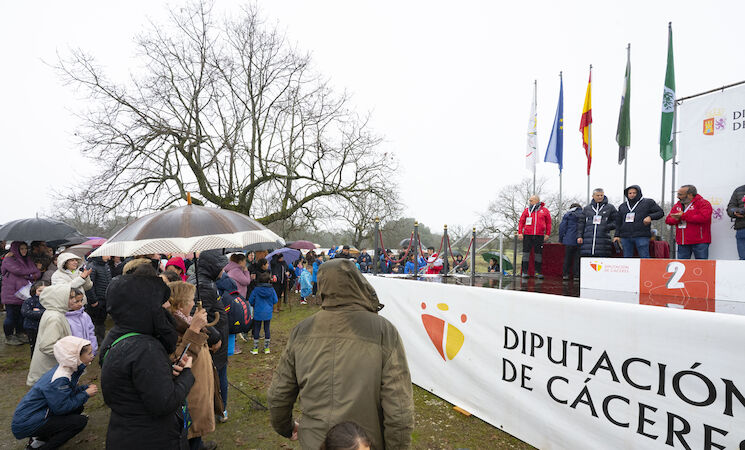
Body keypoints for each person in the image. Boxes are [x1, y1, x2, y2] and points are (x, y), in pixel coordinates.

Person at [268, 258, 414, 449]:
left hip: (335, 441)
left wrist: (286, 428)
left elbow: (278, 395)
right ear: (358, 282)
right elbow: (399, 408)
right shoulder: (383, 330)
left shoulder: (302, 330)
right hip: (360, 443)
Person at [100, 263, 195, 449]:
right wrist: (186, 374)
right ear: (146, 307)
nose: (166, 306)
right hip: (152, 438)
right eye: (161, 303)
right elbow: (164, 404)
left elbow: (134, 384)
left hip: (124, 431)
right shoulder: (145, 348)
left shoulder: (118, 336)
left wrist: (165, 373)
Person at [12, 336, 97, 449]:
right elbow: (62, 407)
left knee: (77, 408)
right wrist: (85, 394)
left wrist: (83, 389)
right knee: (79, 422)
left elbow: (65, 394)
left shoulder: (67, 368)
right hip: (27, 422)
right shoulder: (61, 378)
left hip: (35, 415)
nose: (92, 356)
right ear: (76, 356)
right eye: (89, 353)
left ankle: (40, 438)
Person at [166, 281, 217, 450]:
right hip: (188, 391)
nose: (194, 303)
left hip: (197, 386)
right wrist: (194, 329)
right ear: (181, 305)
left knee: (195, 434)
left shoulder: (185, 321)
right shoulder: (171, 327)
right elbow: (177, 358)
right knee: (189, 432)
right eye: (191, 300)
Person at [187, 250, 229, 424]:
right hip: (212, 343)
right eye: (221, 267)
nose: (223, 271)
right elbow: (197, 318)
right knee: (217, 377)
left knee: (218, 375)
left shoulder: (206, 282)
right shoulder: (202, 286)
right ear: (212, 267)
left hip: (216, 338)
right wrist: (215, 338)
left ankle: (217, 408)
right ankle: (219, 410)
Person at [27, 284, 77, 386]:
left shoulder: (55, 312)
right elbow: (47, 346)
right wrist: (70, 354)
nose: (74, 300)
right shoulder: (55, 318)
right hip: (49, 371)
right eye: (70, 297)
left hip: (51, 371)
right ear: (59, 298)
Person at [2, 241, 42, 345]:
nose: (24, 251)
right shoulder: (8, 259)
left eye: (25, 248)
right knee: (11, 316)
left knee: (21, 316)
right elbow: (18, 270)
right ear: (16, 249)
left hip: (24, 293)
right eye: (21, 248)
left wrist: (28, 275)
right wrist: (31, 272)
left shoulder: (28, 259)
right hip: (12, 293)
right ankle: (9, 336)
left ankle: (19, 333)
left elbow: (37, 273)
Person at [614, 185, 664, 258]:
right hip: (625, 236)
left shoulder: (648, 202)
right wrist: (616, 235)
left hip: (641, 235)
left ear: (639, 193)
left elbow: (660, 212)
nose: (632, 195)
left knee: (644, 257)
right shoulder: (623, 206)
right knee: (627, 258)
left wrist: (650, 217)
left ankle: (646, 266)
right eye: (630, 193)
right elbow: (618, 222)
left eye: (634, 193)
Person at [665, 184, 713, 259]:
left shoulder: (703, 203)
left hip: (700, 242)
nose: (677, 197)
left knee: (701, 264)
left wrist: (683, 216)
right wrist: (677, 219)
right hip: (682, 242)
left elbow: (704, 218)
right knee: (682, 265)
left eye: (680, 194)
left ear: (690, 195)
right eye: (678, 194)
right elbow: (668, 220)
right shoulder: (677, 205)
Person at [577, 188, 619, 263]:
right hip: (588, 243)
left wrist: (608, 226)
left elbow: (617, 221)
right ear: (593, 196)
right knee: (588, 264)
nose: (600, 197)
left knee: (601, 264)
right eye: (598, 195)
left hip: (603, 242)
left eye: (601, 195)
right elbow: (581, 223)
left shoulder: (610, 207)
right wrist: (579, 236)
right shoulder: (587, 208)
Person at [517, 195, 552, 278]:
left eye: (531, 200)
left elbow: (549, 223)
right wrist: (520, 232)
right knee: (526, 253)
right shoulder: (527, 210)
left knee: (538, 254)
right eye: (529, 200)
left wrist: (547, 234)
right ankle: (525, 272)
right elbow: (521, 222)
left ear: (537, 201)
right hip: (528, 235)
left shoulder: (544, 210)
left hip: (539, 235)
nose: (530, 202)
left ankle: (538, 272)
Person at [248, 271, 278, 354]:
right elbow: (275, 300)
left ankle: (255, 349)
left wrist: (254, 304)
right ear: (269, 280)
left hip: (258, 312)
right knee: (267, 329)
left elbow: (251, 300)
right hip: (268, 312)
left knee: (257, 329)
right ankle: (267, 348)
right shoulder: (271, 290)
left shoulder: (256, 290)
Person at [85, 255, 111, 347]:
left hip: (105, 299)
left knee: (101, 321)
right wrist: (93, 300)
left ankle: (101, 341)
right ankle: (94, 342)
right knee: (94, 322)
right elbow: (89, 286)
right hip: (96, 301)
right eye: (106, 254)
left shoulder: (106, 266)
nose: (109, 256)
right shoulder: (92, 267)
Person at [65, 289, 98, 356]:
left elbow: (91, 333)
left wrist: (93, 350)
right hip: (73, 355)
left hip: (87, 353)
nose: (80, 304)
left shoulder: (85, 315)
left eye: (81, 300)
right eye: (76, 301)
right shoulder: (64, 319)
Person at [22, 281, 50, 355]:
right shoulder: (29, 301)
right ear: (35, 291)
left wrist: (39, 311)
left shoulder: (51, 301)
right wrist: (44, 312)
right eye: (40, 291)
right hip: (32, 328)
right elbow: (26, 312)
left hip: (47, 327)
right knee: (34, 347)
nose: (42, 293)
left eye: (45, 290)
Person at [726, 183, 745, 260]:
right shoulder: (739, 190)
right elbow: (730, 208)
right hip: (742, 229)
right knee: (743, 260)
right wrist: (735, 212)